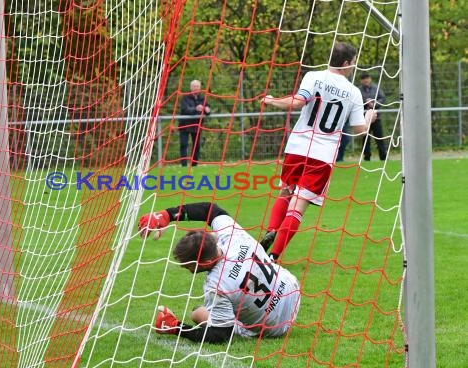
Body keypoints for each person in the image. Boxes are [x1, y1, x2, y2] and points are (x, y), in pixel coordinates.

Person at [259, 42, 377, 259]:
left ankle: (272, 230)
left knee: (285, 191)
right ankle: (274, 255)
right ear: (345, 63)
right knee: (298, 205)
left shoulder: (313, 76)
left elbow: (297, 102)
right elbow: (360, 129)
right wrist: (370, 117)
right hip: (322, 155)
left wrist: (272, 101)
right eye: (352, 63)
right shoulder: (353, 92)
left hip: (297, 146)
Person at [138, 202, 301, 343]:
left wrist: (176, 327)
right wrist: (168, 214)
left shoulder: (215, 287)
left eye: (188, 264)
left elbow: (221, 335)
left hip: (276, 327)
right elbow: (210, 209)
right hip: (292, 290)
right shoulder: (233, 235)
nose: (185, 267)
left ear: (206, 262)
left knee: (197, 313)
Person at [178, 80, 211, 167]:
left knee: (196, 145)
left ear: (200, 88)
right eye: (194, 86)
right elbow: (185, 109)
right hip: (185, 125)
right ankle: (184, 165)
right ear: (191, 87)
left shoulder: (202, 98)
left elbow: (207, 108)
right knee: (184, 144)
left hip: (196, 125)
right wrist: (195, 109)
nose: (196, 88)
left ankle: (194, 165)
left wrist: (207, 110)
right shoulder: (185, 97)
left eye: (197, 86)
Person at [358, 73, 387, 161]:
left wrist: (374, 104)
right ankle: (367, 158)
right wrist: (365, 103)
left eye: (367, 78)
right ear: (361, 81)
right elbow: (356, 101)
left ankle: (383, 157)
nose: (366, 80)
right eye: (363, 78)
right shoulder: (358, 90)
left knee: (379, 138)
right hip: (364, 119)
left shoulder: (376, 88)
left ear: (370, 79)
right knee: (365, 138)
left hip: (376, 118)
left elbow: (382, 98)